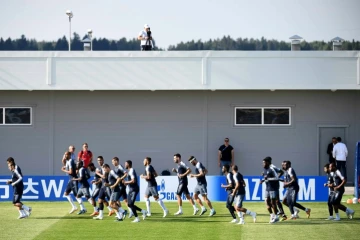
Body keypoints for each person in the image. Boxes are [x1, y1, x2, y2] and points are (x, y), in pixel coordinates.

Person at [264, 156, 287, 221]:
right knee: (272, 201)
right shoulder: (267, 168)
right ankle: (280, 213)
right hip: (270, 186)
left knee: (275, 201)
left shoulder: (272, 167)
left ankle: (281, 214)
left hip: (274, 186)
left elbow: (281, 172)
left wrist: (277, 178)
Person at [260, 157, 279, 223]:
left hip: (273, 188)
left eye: (264, 162)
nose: (263, 164)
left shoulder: (271, 169)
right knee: (267, 202)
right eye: (263, 162)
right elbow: (266, 178)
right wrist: (263, 180)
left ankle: (276, 217)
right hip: (267, 188)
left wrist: (267, 179)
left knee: (273, 202)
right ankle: (272, 215)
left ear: (268, 163)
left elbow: (276, 178)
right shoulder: (264, 169)